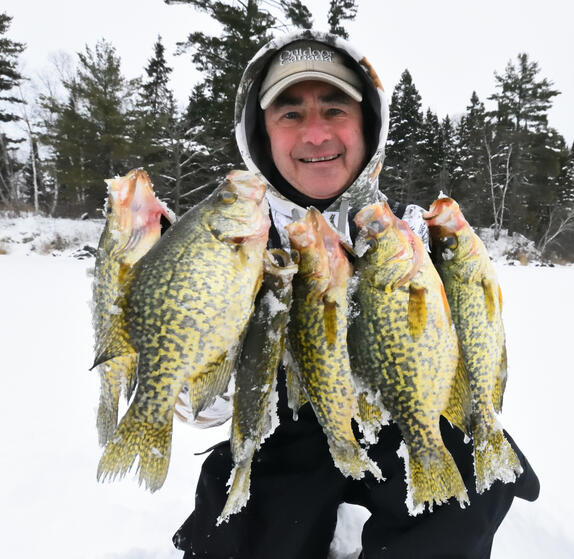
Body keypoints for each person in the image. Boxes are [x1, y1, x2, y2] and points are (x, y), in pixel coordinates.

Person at [173, 30, 539, 559]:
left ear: (368, 126)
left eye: (335, 109)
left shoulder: (412, 235)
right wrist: (191, 370)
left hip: (394, 421)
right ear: (261, 133)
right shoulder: (227, 243)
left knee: (463, 478)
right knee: (238, 529)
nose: (316, 134)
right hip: (286, 433)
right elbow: (199, 405)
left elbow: (472, 343)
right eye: (290, 113)